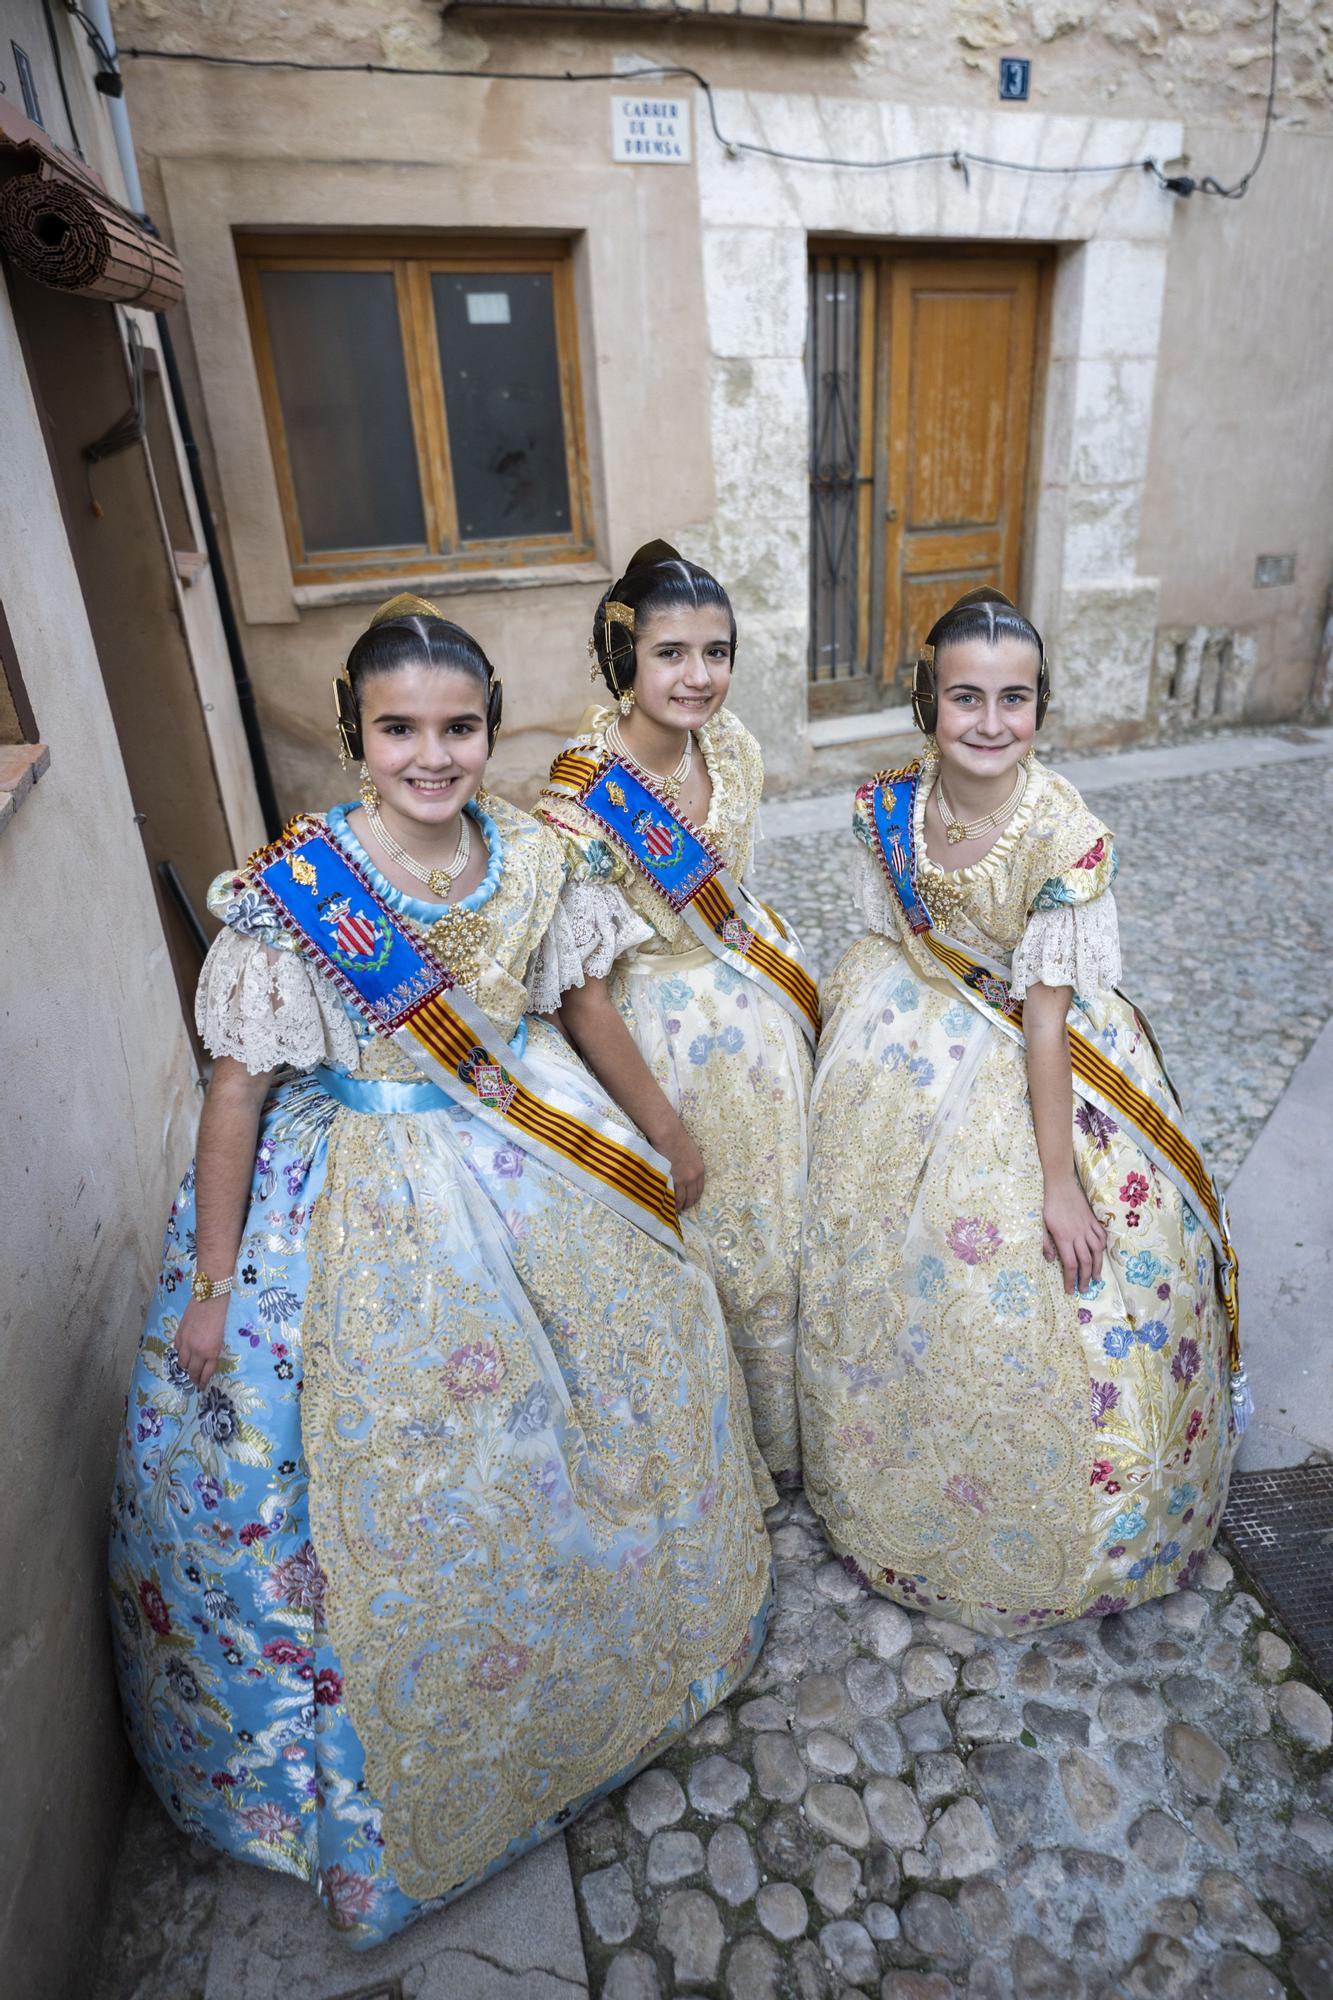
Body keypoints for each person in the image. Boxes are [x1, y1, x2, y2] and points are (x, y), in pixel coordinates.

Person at [108, 594, 774, 1946]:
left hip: (536, 1159)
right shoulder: (297, 896)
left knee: (617, 1385)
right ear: (356, 734)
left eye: (459, 727)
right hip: (368, 1191)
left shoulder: (536, 859)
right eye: (400, 728)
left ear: (489, 730)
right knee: (431, 1472)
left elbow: (581, 1006)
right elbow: (236, 1092)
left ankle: (610, 1675)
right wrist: (219, 1283)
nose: (433, 754)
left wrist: (663, 1129)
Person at [797, 587, 1243, 1636]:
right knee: (877, 1257)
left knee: (1021, 1273)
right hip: (912, 1035)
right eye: (965, 697)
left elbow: (1044, 1027)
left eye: (1015, 698)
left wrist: (1059, 1185)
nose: (990, 721)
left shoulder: (1064, 835)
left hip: (1039, 1065)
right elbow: (888, 940)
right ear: (927, 702)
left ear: (1041, 705)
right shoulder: (891, 807)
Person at [532, 542, 818, 1484]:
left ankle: (791, 1440)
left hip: (758, 1031)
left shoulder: (732, 749)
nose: (698, 677)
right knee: (703, 1252)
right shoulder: (577, 803)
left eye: (717, 651)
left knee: (777, 1243)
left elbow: (737, 890)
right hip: (655, 1050)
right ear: (622, 659)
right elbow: (578, 993)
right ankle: (723, 1466)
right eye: (670, 653)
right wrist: (663, 1128)